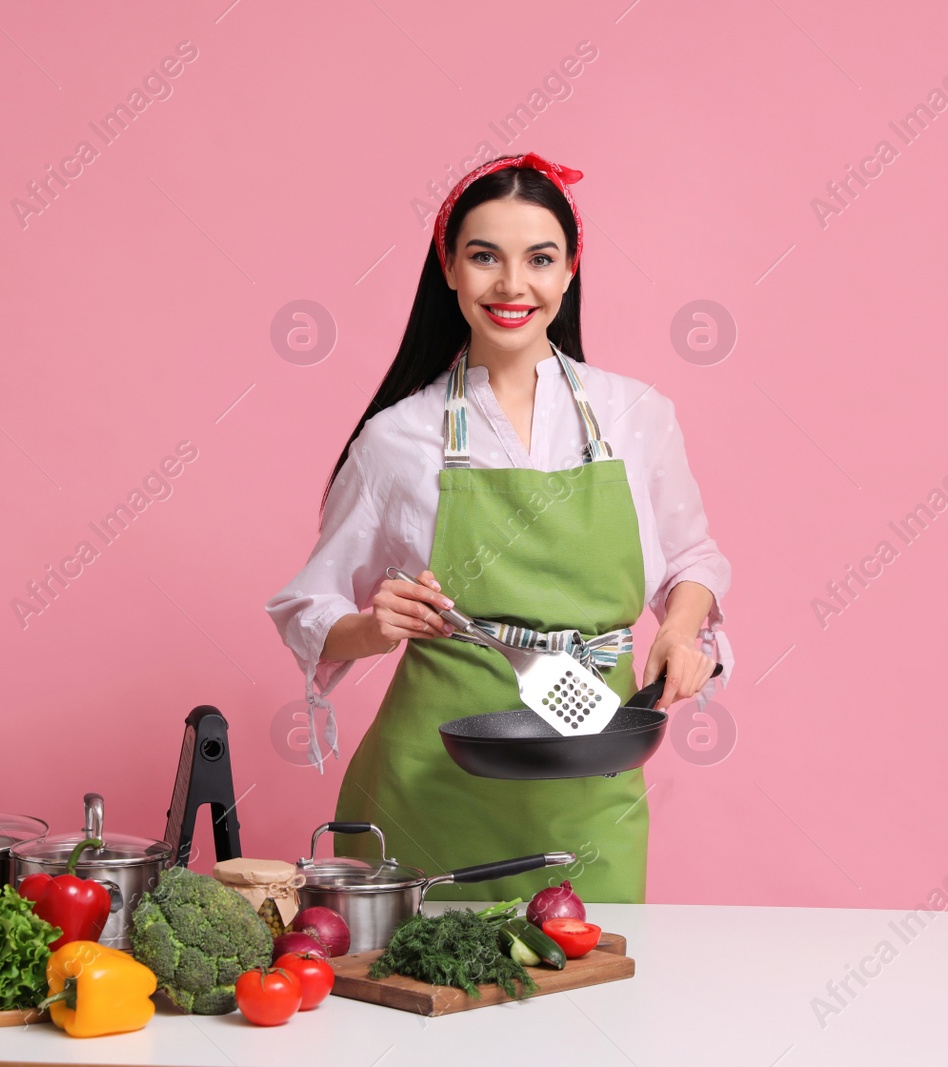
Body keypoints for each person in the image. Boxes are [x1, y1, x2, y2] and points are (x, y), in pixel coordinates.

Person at [264, 151, 733, 904]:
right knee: (419, 996)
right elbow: (308, 607)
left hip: (591, 780)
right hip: (430, 789)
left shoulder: (636, 415)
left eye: (539, 259)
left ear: (570, 270)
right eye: (485, 257)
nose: (513, 285)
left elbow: (692, 559)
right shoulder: (396, 438)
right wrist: (374, 627)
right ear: (449, 268)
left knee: (590, 994)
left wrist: (679, 631)